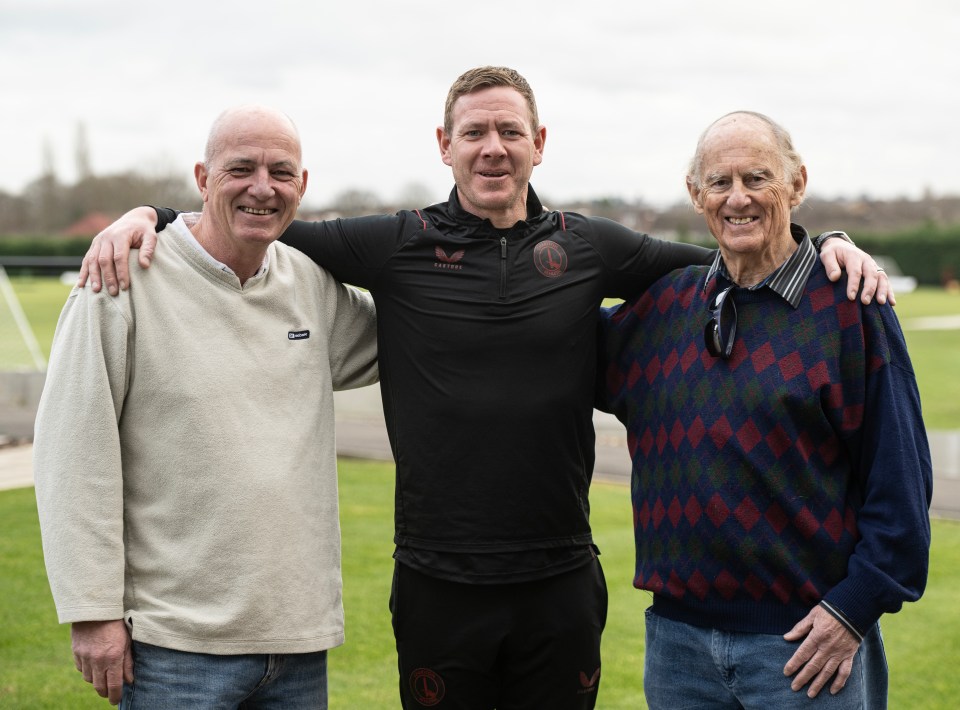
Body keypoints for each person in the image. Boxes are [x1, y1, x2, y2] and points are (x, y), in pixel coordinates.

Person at [77, 68, 890, 710]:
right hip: (437, 584)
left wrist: (829, 245)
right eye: (475, 132)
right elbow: (254, 209)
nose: (492, 147)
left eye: (510, 131)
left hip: (561, 580)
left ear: (539, 141)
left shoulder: (589, 246)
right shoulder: (394, 243)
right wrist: (149, 214)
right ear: (445, 144)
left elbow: (734, 254)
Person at [33, 105, 378, 708]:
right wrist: (92, 613)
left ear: (303, 185)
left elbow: (430, 338)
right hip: (174, 649)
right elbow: (72, 452)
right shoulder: (121, 280)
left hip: (297, 644)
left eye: (281, 171)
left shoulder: (311, 285)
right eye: (240, 168)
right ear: (202, 177)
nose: (262, 187)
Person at [598, 111, 931, 709]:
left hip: (806, 650)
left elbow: (901, 486)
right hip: (677, 651)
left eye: (758, 177)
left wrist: (851, 612)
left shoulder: (852, 307)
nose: (738, 198)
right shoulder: (665, 308)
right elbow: (541, 342)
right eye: (719, 183)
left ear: (797, 185)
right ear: (695, 194)